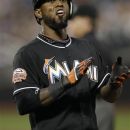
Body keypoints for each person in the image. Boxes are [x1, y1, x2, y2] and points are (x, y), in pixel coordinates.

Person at [12, 0, 130, 130]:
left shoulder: (87, 48)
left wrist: (114, 84)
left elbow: (108, 96)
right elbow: (24, 103)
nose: (59, 4)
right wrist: (65, 81)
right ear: (38, 12)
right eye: (51, 1)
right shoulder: (28, 54)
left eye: (63, 0)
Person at [67, 4, 115, 130]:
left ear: (87, 21)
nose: (71, 24)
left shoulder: (83, 46)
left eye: (75, 19)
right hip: (101, 105)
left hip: (93, 106)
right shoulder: (101, 46)